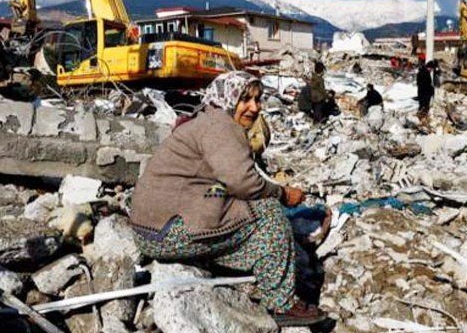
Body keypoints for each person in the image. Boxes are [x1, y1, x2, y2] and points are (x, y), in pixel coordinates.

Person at [130, 71, 327, 327]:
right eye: (245, 99)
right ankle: (282, 303)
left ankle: (233, 262)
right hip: (166, 233)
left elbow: (224, 182)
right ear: (228, 98)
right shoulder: (221, 127)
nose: (254, 107)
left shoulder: (206, 120)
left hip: (151, 228)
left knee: (240, 205)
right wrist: (282, 194)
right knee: (268, 212)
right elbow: (243, 182)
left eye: (258, 100)